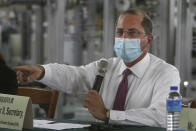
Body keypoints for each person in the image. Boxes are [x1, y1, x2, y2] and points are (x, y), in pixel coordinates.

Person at [14, 8, 180, 127]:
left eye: (132, 32)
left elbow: (163, 115)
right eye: (120, 32)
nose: (124, 38)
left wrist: (108, 115)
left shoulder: (165, 73)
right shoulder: (107, 66)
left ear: (148, 40)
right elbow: (75, 76)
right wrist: (42, 71)